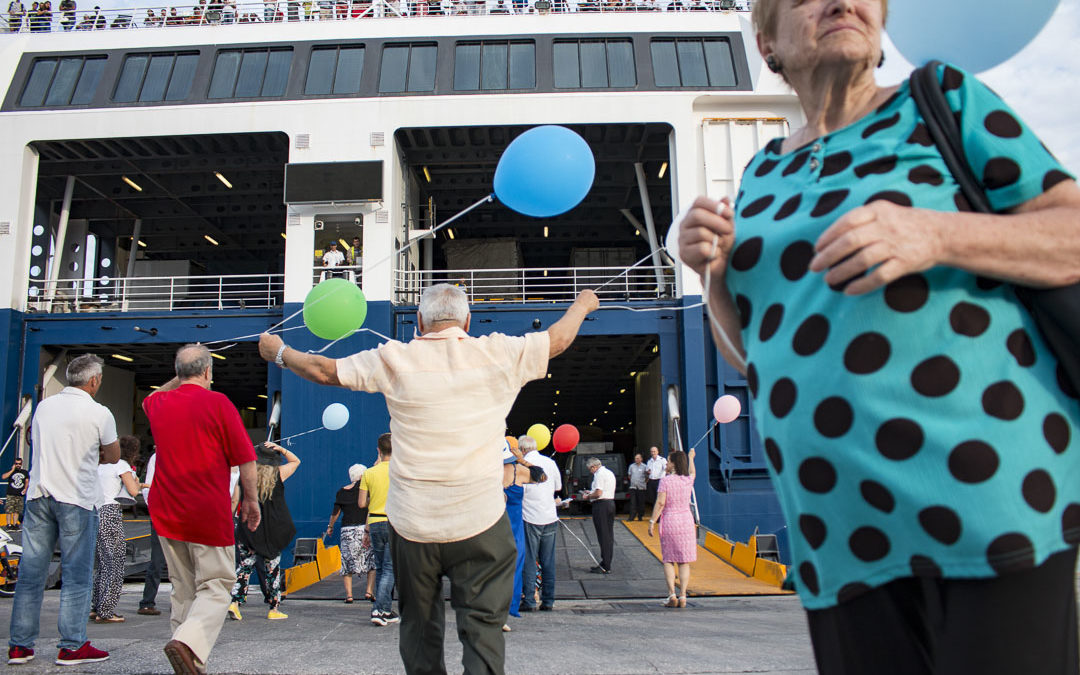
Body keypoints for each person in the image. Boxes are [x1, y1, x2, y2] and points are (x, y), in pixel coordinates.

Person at [677, 1, 1080, 672]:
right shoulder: (760, 175)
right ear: (766, 40)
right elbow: (757, 358)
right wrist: (712, 275)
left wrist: (934, 231)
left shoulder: (942, 101)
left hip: (983, 496)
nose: (842, 1)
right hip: (836, 531)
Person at [258, 283, 598, 675]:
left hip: (413, 525)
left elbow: (324, 369)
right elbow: (557, 340)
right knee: (484, 633)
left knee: (419, 632)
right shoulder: (499, 352)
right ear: (468, 321)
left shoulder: (395, 357)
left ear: (418, 322)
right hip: (481, 521)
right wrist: (582, 304)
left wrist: (279, 352)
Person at [142, 344, 259, 675]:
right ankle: (189, 645)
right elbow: (246, 459)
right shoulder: (218, 403)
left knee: (184, 589)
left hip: (166, 508)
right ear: (208, 372)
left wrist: (180, 375)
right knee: (218, 585)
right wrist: (250, 499)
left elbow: (152, 396)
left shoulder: (158, 403)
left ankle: (191, 662)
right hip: (205, 507)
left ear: (178, 374)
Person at [7, 354, 119, 666]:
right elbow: (113, 454)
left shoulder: (44, 407)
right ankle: (71, 646)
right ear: (94, 381)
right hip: (77, 500)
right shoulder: (99, 412)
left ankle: (20, 646)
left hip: (39, 496)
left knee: (30, 574)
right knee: (77, 576)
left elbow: (33, 440)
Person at [228, 441, 299, 621]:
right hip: (272, 530)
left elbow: (234, 501)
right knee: (272, 569)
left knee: (244, 566)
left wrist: (229, 522)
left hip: (248, 527)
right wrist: (282, 449)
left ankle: (235, 603)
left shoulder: (244, 477)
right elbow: (296, 461)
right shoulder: (278, 474)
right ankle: (273, 608)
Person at [91, 435, 141, 623]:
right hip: (111, 512)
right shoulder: (121, 465)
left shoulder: (99, 465)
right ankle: (106, 610)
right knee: (116, 564)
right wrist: (136, 482)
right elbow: (133, 491)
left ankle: (96, 606)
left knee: (103, 564)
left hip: (95, 512)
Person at [501, 438, 546, 627]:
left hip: (493, 527)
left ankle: (492, 608)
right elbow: (542, 476)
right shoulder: (519, 471)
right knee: (514, 567)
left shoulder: (487, 473)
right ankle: (508, 607)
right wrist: (522, 460)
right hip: (515, 528)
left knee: (493, 569)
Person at [518, 435, 562, 612]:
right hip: (550, 516)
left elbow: (520, 491)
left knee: (529, 560)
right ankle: (548, 600)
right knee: (548, 560)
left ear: (522, 449)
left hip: (530, 517)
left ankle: (528, 600)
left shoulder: (522, 466)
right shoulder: (550, 463)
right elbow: (557, 487)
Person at [648, 448, 696, 608]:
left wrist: (652, 521)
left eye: (668, 461)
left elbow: (661, 503)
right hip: (686, 521)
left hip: (670, 520)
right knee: (684, 561)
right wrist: (691, 458)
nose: (666, 464)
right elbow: (692, 472)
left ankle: (671, 595)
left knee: (669, 560)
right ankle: (683, 596)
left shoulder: (665, 481)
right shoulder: (688, 480)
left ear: (674, 464)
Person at [358, 434, 395, 626]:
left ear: (378, 450)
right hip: (394, 522)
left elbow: (361, 502)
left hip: (374, 522)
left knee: (381, 568)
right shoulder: (400, 471)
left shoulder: (368, 473)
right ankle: (378, 610)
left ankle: (387, 610)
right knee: (390, 569)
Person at [326, 463, 374, 603]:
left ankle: (349, 595)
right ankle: (369, 592)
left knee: (347, 563)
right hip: (364, 529)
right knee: (371, 561)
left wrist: (330, 526)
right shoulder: (367, 491)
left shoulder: (342, 491)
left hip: (347, 530)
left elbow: (335, 513)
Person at [138, 448, 167, 616]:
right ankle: (147, 602)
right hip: (162, 512)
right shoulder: (157, 457)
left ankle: (181, 602)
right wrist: (154, 509)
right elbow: (148, 485)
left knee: (183, 562)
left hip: (181, 512)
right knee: (157, 559)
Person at [581, 457, 616, 574]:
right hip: (610, 503)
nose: (590, 472)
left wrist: (588, 496)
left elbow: (599, 492)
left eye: (589, 469)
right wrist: (591, 492)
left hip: (602, 505)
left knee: (603, 535)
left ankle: (606, 565)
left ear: (593, 467)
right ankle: (606, 561)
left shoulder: (599, 474)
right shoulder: (609, 472)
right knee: (608, 534)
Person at [2, 458, 28, 530]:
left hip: (19, 494)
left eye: (19, 464)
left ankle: (15, 523)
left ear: (21, 464)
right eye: (16, 463)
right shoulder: (11, 472)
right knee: (9, 510)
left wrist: (25, 489)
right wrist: (12, 470)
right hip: (11, 493)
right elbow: (3, 477)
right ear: (14, 464)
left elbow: (26, 481)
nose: (18, 465)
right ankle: (9, 524)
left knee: (17, 510)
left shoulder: (24, 472)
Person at [626, 453, 648, 522]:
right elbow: (629, 475)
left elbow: (647, 477)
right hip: (633, 487)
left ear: (641, 459)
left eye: (638, 458)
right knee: (633, 503)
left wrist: (644, 483)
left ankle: (640, 516)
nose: (636, 460)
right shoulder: (631, 466)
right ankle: (631, 517)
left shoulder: (645, 466)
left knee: (641, 503)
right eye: (635, 458)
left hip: (641, 488)